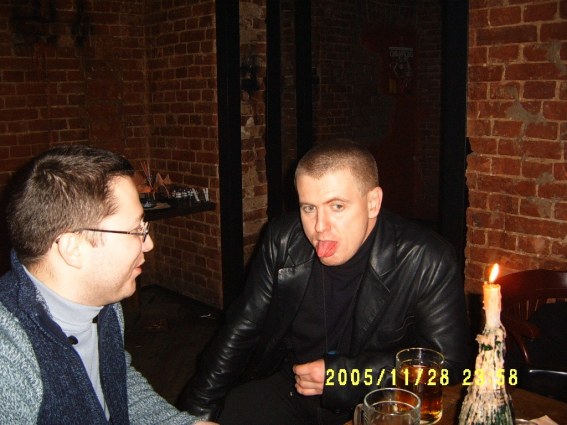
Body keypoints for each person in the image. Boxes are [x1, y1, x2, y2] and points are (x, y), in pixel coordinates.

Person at [176, 140, 471, 424]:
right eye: (309, 208)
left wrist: (346, 376)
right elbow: (242, 328)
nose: (319, 226)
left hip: (377, 401)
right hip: (291, 387)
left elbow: (450, 366)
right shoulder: (283, 239)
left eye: (337, 206)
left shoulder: (426, 258)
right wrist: (195, 413)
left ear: (373, 203)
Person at [0, 145, 216, 425]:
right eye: (136, 230)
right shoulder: (8, 356)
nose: (149, 244)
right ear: (73, 248)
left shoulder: (102, 303)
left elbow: (115, 382)